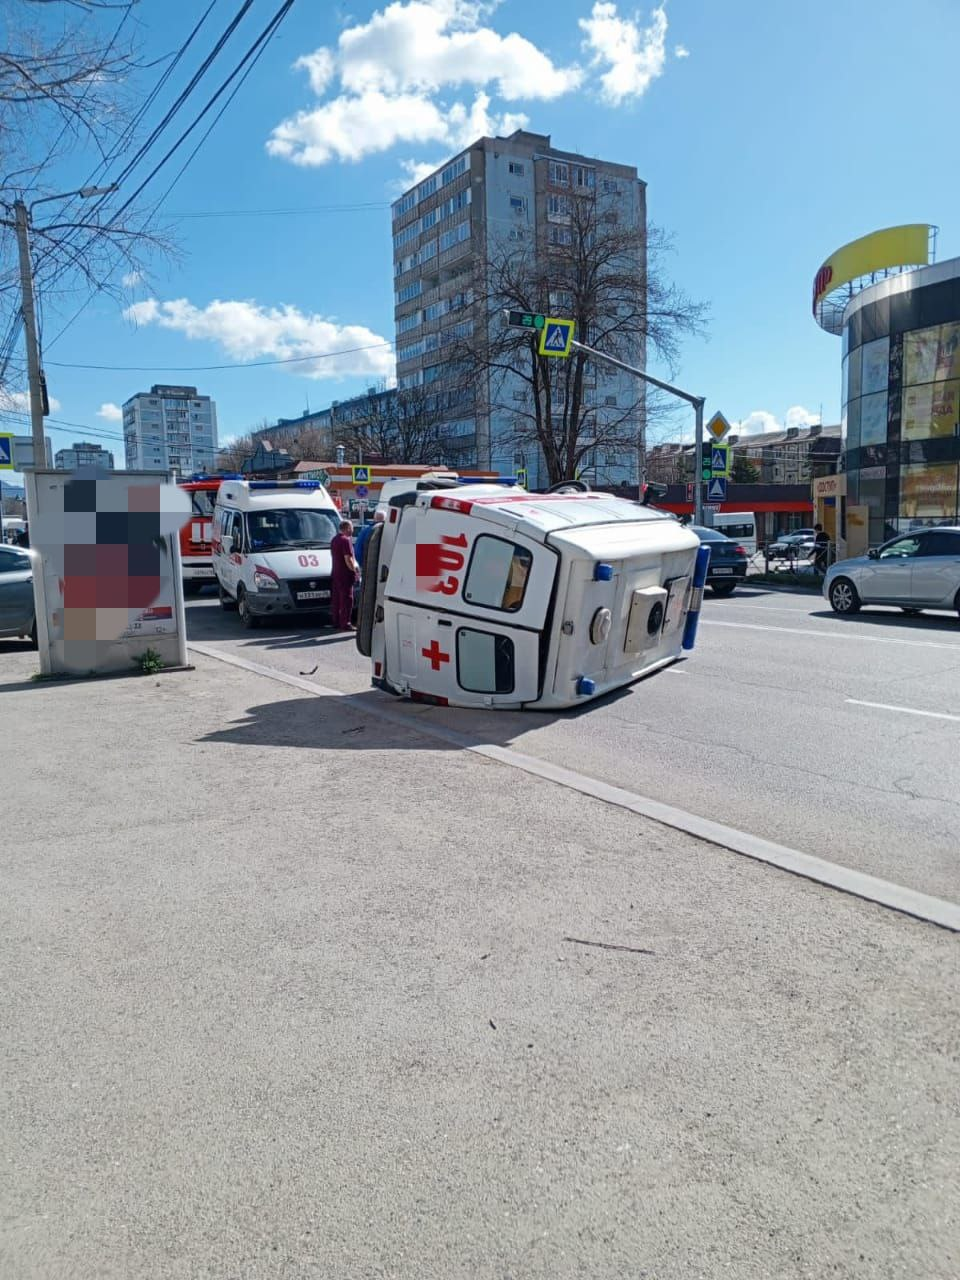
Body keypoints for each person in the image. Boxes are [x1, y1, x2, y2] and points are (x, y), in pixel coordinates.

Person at [330, 518, 359, 631]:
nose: (352, 529)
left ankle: (336, 621)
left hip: (336, 572)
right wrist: (354, 571)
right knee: (347, 599)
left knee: (337, 598)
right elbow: (348, 558)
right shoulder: (345, 540)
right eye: (351, 527)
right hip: (345, 574)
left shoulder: (334, 539)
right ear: (347, 528)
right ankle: (345, 623)